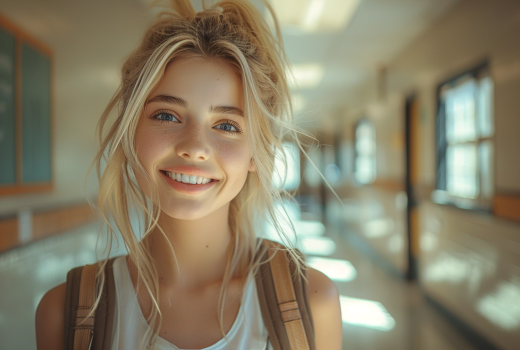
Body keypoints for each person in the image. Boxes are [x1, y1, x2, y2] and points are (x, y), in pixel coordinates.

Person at [35, 0, 342, 349]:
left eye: (227, 125)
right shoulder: (64, 312)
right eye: (166, 116)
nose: (195, 147)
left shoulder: (312, 305)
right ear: (131, 132)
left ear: (257, 151)